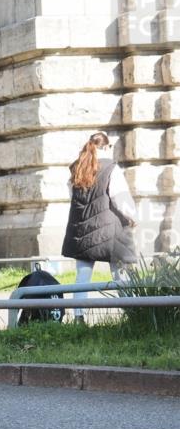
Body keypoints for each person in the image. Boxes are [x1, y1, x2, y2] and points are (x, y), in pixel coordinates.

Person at [61, 131, 138, 322]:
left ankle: (79, 318)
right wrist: (132, 216)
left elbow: (73, 197)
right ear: (107, 147)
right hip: (109, 230)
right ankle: (133, 315)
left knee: (83, 275)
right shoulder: (111, 168)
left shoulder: (77, 168)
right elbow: (119, 197)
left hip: (81, 229)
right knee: (120, 274)